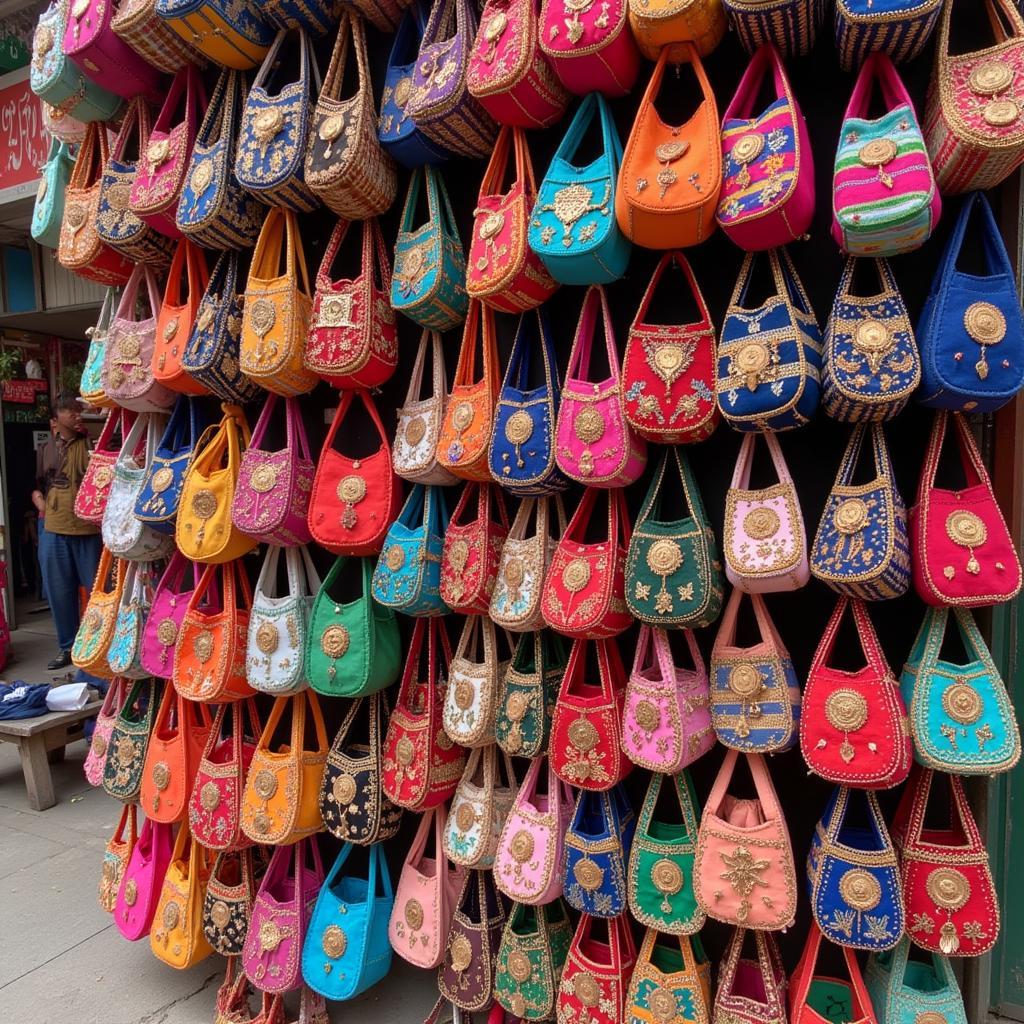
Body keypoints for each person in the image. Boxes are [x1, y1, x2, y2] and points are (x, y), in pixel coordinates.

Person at [31, 394, 101, 670]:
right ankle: (67, 647)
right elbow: (35, 483)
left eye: (77, 410)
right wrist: (37, 498)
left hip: (87, 529)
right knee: (59, 593)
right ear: (55, 419)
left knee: (98, 594)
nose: (76, 415)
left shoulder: (91, 442)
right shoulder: (46, 449)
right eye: (69, 411)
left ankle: (97, 646)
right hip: (53, 529)